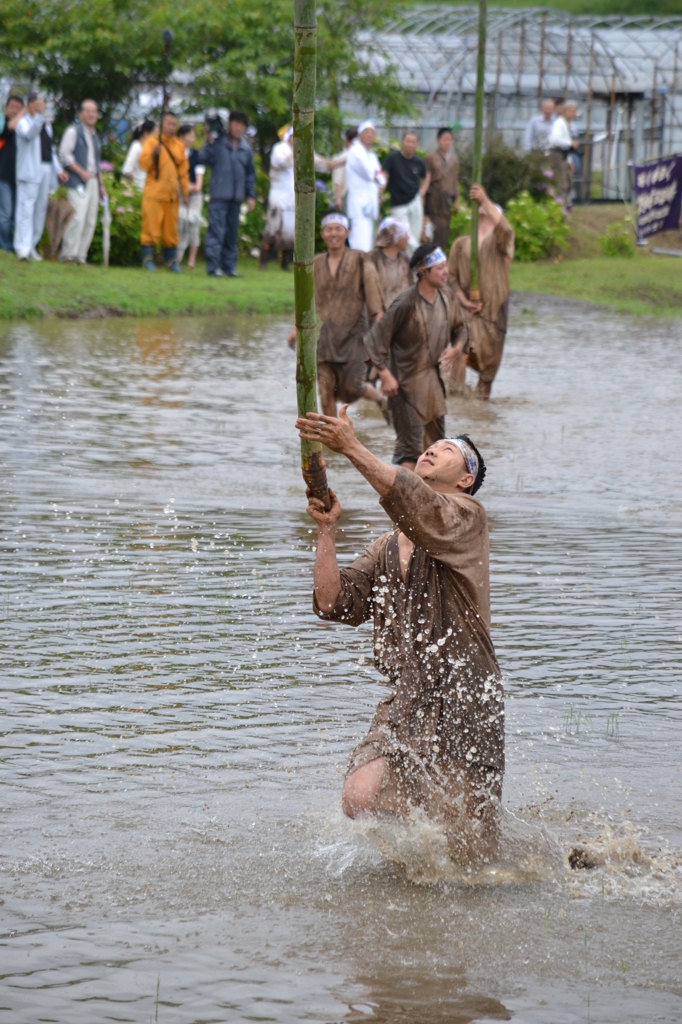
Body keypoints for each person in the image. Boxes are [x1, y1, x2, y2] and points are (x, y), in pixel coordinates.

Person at [296, 411, 504, 864]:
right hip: (409, 697)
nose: (431, 449)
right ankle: (416, 868)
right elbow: (334, 603)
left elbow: (422, 507)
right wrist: (326, 531)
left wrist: (350, 447)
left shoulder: (468, 518)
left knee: (470, 855)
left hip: (465, 696)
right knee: (359, 797)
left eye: (448, 449)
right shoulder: (387, 545)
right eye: (430, 447)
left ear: (467, 478)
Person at [364, 244, 466, 470]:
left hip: (433, 388)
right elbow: (373, 340)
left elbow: (462, 329)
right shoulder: (405, 303)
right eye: (439, 268)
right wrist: (385, 375)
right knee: (409, 451)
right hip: (405, 388)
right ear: (423, 271)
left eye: (446, 266)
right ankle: (399, 502)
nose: (446, 272)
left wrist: (456, 350)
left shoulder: (447, 297)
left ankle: (428, 503)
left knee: (437, 451)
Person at [287, 212, 383, 416]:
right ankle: (332, 441)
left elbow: (375, 302)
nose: (333, 233)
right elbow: (304, 298)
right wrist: (295, 328)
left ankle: (381, 400)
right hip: (325, 340)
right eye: (329, 229)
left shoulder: (360, 259)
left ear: (347, 233)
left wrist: (381, 332)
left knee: (353, 389)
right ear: (322, 234)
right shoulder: (314, 263)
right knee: (325, 392)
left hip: (354, 338)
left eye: (338, 229)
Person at [447, 184, 514, 400]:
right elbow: (451, 278)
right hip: (466, 311)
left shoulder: (501, 243)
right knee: (461, 350)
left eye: (492, 209)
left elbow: (507, 230)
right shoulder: (461, 244)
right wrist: (463, 301)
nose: (485, 209)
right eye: (483, 207)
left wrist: (485, 199)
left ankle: (481, 410)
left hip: (493, 313)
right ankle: (457, 401)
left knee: (487, 375)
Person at [198, 111, 255, 278]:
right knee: (216, 232)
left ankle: (229, 268)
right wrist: (209, 141)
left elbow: (250, 175)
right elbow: (203, 157)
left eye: (242, 125)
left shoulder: (246, 148)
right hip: (219, 196)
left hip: (236, 198)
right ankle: (213, 268)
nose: (238, 128)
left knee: (232, 234)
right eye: (235, 123)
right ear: (229, 124)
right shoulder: (218, 142)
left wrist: (250, 195)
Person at [14, 93, 67, 261]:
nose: (41, 107)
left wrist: (58, 170)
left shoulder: (46, 125)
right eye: (37, 104)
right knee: (26, 210)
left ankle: (31, 246)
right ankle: (22, 248)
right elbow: (30, 134)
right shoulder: (23, 122)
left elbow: (50, 150)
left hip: (44, 170)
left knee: (40, 210)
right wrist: (38, 116)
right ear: (29, 104)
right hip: (28, 173)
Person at [138, 110, 189, 272]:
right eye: (168, 124)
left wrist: (185, 192)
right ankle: (147, 260)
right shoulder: (151, 142)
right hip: (154, 193)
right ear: (162, 125)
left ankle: (171, 261)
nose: (171, 127)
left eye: (174, 124)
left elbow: (183, 172)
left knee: (170, 231)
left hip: (172, 196)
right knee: (150, 228)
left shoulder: (179, 146)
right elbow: (143, 165)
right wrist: (153, 155)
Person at [58, 99, 106, 264]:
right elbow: (64, 155)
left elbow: (96, 163)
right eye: (88, 110)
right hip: (77, 181)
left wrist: (101, 185)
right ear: (80, 113)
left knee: (90, 219)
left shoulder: (94, 135)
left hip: (93, 181)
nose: (92, 114)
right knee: (77, 217)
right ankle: (68, 255)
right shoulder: (73, 131)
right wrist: (81, 172)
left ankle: (80, 256)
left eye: (94, 111)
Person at [382, 130, 430, 255]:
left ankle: (411, 263)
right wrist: (380, 193)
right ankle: (418, 256)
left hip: (415, 200)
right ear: (403, 142)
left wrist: (422, 191)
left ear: (416, 144)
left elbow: (426, 176)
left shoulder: (418, 161)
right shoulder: (392, 158)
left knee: (416, 233)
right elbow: (384, 176)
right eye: (408, 141)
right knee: (403, 234)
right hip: (398, 203)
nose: (410, 144)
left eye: (413, 142)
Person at [345, 121, 385, 252]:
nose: (369, 135)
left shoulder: (371, 155)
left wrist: (377, 177)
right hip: (359, 205)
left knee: (367, 243)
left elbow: (382, 179)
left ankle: (362, 270)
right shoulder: (355, 150)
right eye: (366, 132)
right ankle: (357, 271)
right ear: (359, 135)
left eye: (372, 133)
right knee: (359, 243)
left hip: (369, 206)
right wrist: (376, 176)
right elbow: (369, 173)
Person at [260, 125, 295, 271]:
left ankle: (285, 263)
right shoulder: (279, 148)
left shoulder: (299, 152)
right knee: (271, 229)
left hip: (291, 198)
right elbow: (279, 163)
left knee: (289, 231)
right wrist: (295, 152)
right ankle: (263, 262)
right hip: (277, 197)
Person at [367, 216, 412, 313]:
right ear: (394, 236)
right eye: (405, 234)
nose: (408, 237)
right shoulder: (371, 260)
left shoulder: (405, 260)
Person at [424, 127, 459, 250]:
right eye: (444, 139)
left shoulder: (452, 160)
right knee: (433, 231)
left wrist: (456, 200)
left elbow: (454, 180)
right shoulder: (430, 157)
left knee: (444, 231)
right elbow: (425, 179)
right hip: (433, 199)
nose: (447, 142)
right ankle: (432, 258)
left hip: (446, 201)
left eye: (449, 139)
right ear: (438, 140)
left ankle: (440, 258)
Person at [176, 123, 204, 268]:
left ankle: (191, 260)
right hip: (179, 193)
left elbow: (199, 177)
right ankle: (177, 257)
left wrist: (194, 187)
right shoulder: (175, 153)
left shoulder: (196, 154)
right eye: (190, 135)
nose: (192, 139)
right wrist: (184, 188)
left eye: (194, 136)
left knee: (194, 225)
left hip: (194, 195)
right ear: (182, 136)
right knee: (179, 225)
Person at [0, 95, 25, 252]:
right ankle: (5, 245)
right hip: (3, 176)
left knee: (16, 214)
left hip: (19, 177)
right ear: (6, 108)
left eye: (18, 107)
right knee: (6, 213)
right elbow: (10, 128)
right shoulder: (4, 124)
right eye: (12, 107)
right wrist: (25, 111)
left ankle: (12, 244)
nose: (15, 110)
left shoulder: (23, 128)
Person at [547, 100, 578, 210]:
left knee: (569, 181)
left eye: (574, 111)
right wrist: (570, 143)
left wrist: (569, 161)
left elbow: (566, 145)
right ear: (564, 111)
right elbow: (555, 140)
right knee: (561, 182)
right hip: (556, 153)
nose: (572, 114)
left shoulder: (568, 124)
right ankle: (561, 208)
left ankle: (564, 203)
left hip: (564, 154)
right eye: (570, 111)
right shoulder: (559, 123)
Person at [121, 119, 156, 190]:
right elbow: (126, 170)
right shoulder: (136, 147)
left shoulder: (145, 148)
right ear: (146, 133)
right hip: (138, 192)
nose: (157, 137)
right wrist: (135, 184)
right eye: (155, 134)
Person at [332, 127, 357, 212]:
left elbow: (337, 179)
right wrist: (338, 198)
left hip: (348, 195)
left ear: (346, 140)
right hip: (348, 195)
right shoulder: (346, 157)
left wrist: (337, 198)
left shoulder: (343, 156)